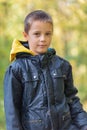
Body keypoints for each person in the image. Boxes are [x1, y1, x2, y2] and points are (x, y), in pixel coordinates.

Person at [4, 10, 87, 130]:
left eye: (48, 34)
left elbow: (72, 101)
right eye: (37, 34)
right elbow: (12, 113)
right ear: (26, 35)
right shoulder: (16, 69)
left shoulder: (63, 65)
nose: (43, 39)